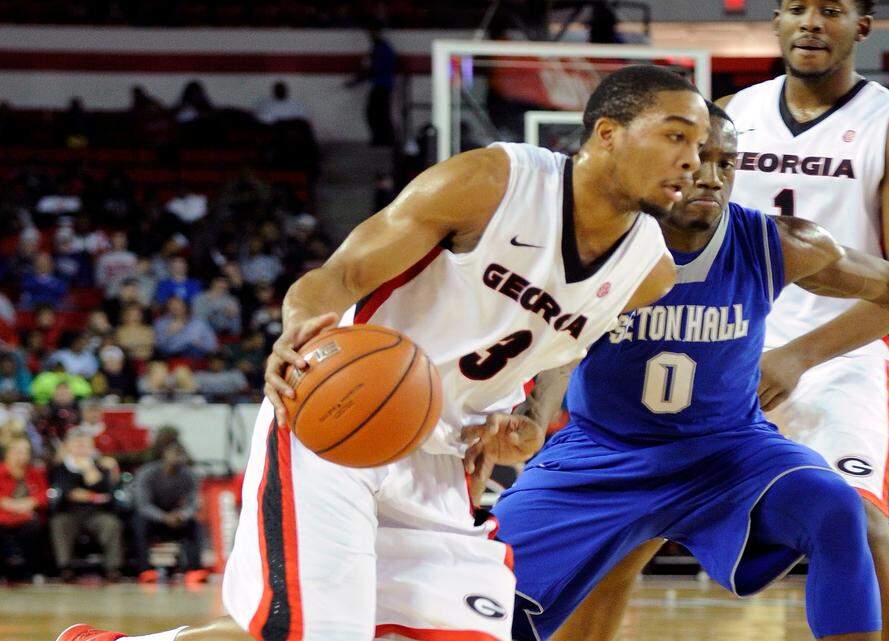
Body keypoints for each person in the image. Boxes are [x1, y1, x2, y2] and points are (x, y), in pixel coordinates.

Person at [57, 64, 701, 641]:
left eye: (700, 146)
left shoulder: (651, 272)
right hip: (337, 425)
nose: (692, 161)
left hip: (442, 462)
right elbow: (338, 277)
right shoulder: (492, 182)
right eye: (676, 136)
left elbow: (565, 346)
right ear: (608, 133)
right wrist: (298, 328)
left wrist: (532, 418)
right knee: (319, 633)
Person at [488, 105, 889, 641]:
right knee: (484, 582)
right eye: (694, 159)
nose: (708, 175)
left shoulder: (772, 242)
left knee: (840, 510)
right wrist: (537, 413)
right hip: (604, 456)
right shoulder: (603, 237)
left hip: (726, 454)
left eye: (726, 163)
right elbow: (560, 344)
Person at [715, 3, 889, 641]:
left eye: (831, 10)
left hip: (840, 353)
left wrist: (799, 356)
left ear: (861, 26)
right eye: (797, 8)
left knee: (861, 524)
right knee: (629, 521)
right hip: (726, 344)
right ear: (777, 21)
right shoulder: (729, 115)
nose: (811, 22)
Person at [49, 429, 124, 582]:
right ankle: (65, 568)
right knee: (59, 523)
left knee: (111, 524)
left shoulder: (101, 466)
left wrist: (90, 472)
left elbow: (107, 493)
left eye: (85, 445)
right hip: (69, 513)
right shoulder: (61, 467)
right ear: (68, 447)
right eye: (77, 444)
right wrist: (94, 495)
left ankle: (112, 568)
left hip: (96, 514)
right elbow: (68, 492)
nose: (81, 448)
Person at [132, 441, 209, 585]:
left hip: (176, 517)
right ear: (164, 455)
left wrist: (182, 515)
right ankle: (145, 570)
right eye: (175, 454)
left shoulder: (189, 475)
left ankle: (194, 569)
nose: (178, 458)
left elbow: (193, 504)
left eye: (181, 455)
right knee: (139, 523)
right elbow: (143, 505)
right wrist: (163, 517)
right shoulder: (148, 473)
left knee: (194, 525)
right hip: (153, 517)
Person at [0, 436, 49, 580]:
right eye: (19, 451)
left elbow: (44, 494)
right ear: (8, 453)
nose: (23, 456)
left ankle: (31, 570)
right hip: (4, 514)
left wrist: (31, 502)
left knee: (34, 526)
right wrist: (9, 505)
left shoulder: (35, 473)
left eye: (26, 452)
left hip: (28, 515)